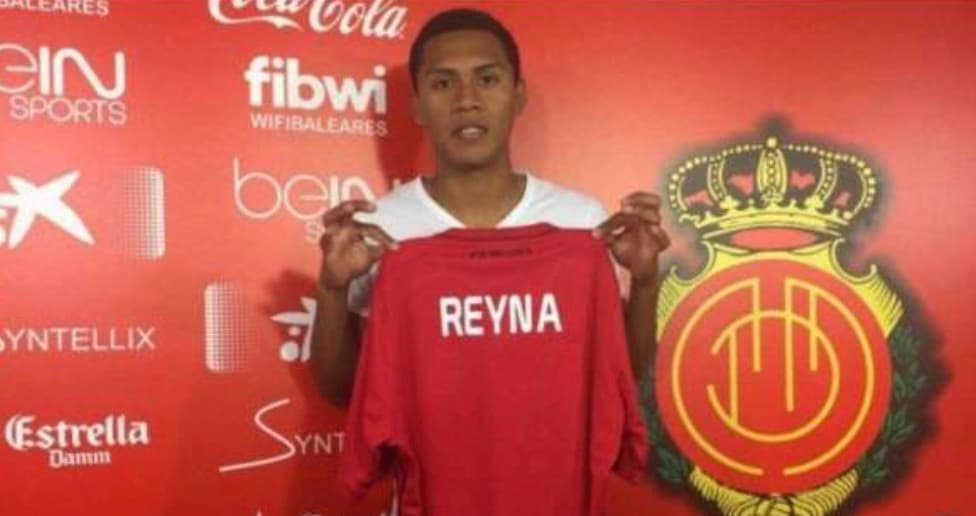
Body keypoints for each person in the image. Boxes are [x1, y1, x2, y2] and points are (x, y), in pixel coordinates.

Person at [310, 7, 669, 409]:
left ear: (518, 95)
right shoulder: (380, 228)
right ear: (417, 106)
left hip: (551, 452)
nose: (467, 101)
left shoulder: (581, 222)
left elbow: (621, 376)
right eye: (443, 83)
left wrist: (644, 285)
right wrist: (332, 290)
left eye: (487, 79)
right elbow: (342, 392)